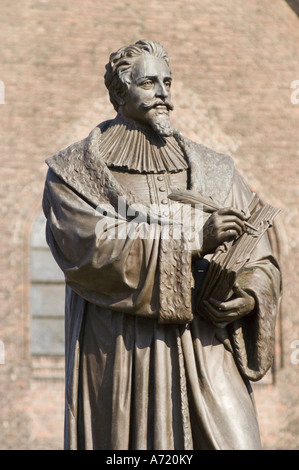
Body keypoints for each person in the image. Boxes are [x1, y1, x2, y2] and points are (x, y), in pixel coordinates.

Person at [42, 40, 281, 450]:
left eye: (167, 82)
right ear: (120, 92)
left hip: (207, 345)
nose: (163, 93)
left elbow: (260, 253)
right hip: (123, 347)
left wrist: (249, 294)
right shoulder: (75, 173)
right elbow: (88, 247)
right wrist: (193, 239)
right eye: (149, 82)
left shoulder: (213, 169)